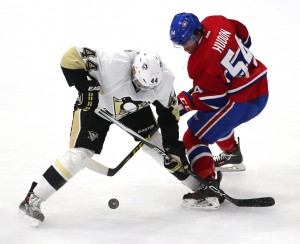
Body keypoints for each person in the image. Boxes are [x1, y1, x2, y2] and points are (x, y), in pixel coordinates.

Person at [19, 48, 201, 224]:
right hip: (97, 108)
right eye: (139, 84)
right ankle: (33, 199)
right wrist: (84, 86)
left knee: (162, 150)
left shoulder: (165, 80)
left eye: (147, 87)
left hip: (133, 109)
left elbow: (169, 116)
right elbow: (70, 56)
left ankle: (199, 188)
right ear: (134, 69)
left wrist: (173, 148)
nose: (141, 88)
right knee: (79, 155)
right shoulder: (113, 62)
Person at [169, 13, 268, 208]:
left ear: (198, 31)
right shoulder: (216, 21)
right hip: (259, 83)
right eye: (181, 44)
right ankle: (232, 154)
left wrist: (185, 103)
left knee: (194, 137)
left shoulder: (200, 63)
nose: (186, 47)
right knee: (212, 121)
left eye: (188, 41)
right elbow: (244, 36)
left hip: (242, 100)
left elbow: (214, 101)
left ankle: (208, 187)